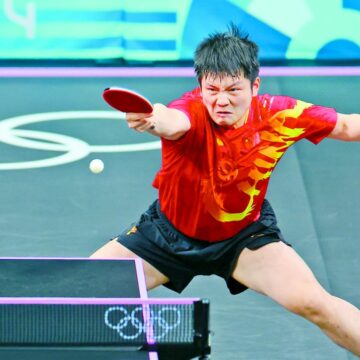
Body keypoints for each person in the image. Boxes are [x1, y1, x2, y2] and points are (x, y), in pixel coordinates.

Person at [91, 25, 360, 356]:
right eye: (212, 89)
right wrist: (151, 119)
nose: (221, 100)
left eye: (233, 89)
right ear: (200, 86)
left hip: (243, 237)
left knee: (315, 304)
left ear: (254, 86)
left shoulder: (281, 114)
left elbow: (348, 125)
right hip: (166, 236)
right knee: (84, 291)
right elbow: (171, 121)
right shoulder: (190, 110)